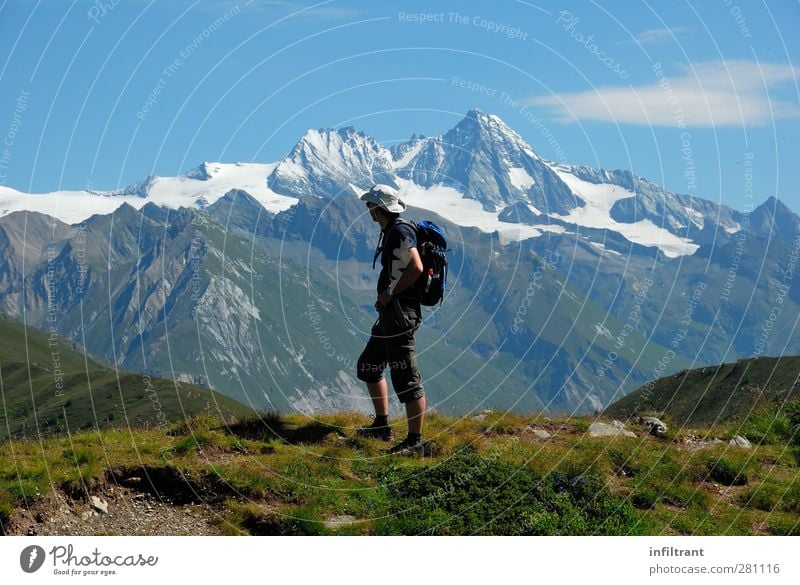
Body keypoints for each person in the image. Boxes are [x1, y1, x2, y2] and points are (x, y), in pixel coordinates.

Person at [356, 184, 427, 455]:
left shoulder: (399, 231)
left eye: (370, 205)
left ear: (379, 207)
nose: (368, 210)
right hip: (391, 313)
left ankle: (414, 442)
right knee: (369, 366)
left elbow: (416, 266)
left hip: (400, 315)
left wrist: (389, 293)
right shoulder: (392, 231)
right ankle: (382, 426)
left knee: (407, 379)